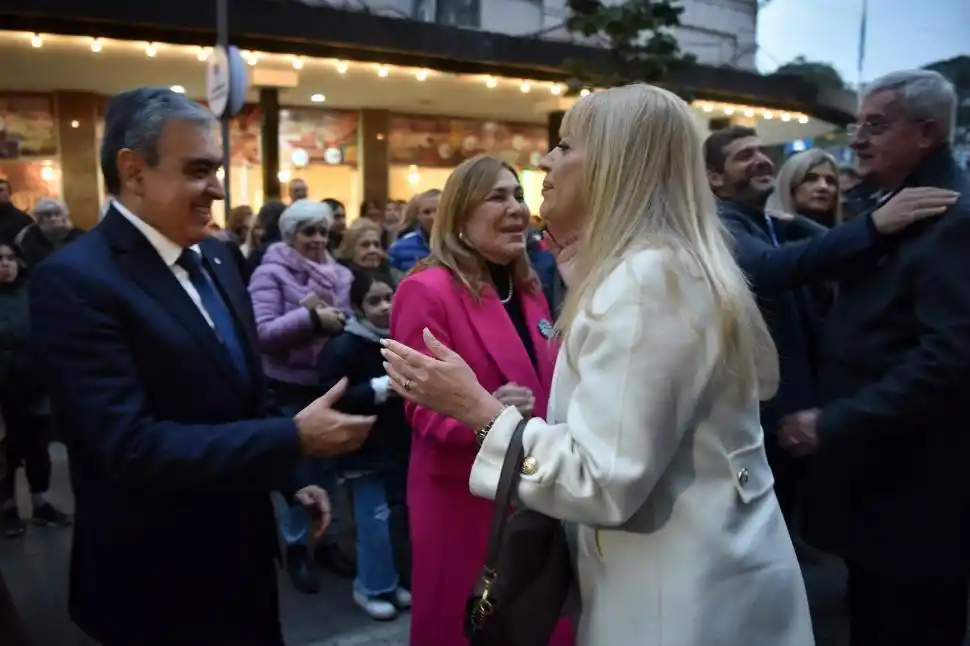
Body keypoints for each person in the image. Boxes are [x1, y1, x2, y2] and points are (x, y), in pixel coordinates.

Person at [382, 84, 814, 646]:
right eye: (497, 196)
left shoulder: (644, 279)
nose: (545, 162)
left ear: (614, 163)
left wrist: (477, 408)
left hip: (673, 601)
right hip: (674, 575)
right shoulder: (646, 270)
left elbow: (602, 477)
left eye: (564, 146)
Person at [29, 87, 375, 646]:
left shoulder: (216, 256)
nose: (217, 188)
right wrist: (289, 438)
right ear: (133, 172)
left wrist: (291, 480)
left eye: (215, 170)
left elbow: (243, 385)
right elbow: (127, 446)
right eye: (198, 171)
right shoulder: (75, 281)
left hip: (244, 566)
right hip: (153, 584)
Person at [780, 69, 967, 646]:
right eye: (858, 123)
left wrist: (833, 421)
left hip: (915, 499)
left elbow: (949, 356)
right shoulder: (892, 209)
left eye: (877, 126)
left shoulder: (954, 222)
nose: (858, 139)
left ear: (927, 133)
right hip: (878, 491)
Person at [706, 125, 950, 546]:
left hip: (792, 416)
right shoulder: (719, 222)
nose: (761, 159)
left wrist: (798, 223)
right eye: (744, 156)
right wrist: (873, 225)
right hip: (758, 423)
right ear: (714, 179)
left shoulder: (764, 223)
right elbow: (767, 270)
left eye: (761, 151)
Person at [389, 155, 572, 646]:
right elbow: (415, 403)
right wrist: (483, 408)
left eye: (517, 195)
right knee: (468, 627)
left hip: (534, 489)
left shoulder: (529, 287)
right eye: (497, 196)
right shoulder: (424, 290)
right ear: (460, 214)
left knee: (538, 621)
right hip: (463, 501)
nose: (515, 207)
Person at [248, 198, 354, 594]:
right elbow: (261, 333)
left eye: (323, 231)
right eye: (308, 232)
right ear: (290, 235)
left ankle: (327, 542)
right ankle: (296, 548)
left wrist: (339, 323)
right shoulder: (270, 273)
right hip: (287, 386)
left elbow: (345, 322)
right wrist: (310, 319)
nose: (317, 239)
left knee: (330, 469)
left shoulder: (340, 273)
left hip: (327, 382)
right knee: (297, 474)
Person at [317, 271, 412, 620]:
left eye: (389, 297)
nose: (385, 306)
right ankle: (370, 586)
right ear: (357, 307)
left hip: (395, 446)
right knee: (373, 524)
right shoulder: (344, 346)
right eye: (374, 300)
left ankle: (389, 581)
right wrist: (380, 388)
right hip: (362, 449)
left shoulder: (398, 338)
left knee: (393, 521)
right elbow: (331, 396)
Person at [0, 240, 71, 536]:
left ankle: (40, 502)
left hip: (35, 384)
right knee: (5, 453)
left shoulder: (33, 291)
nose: (5, 264)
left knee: (37, 449)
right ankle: (7, 508)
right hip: (2, 391)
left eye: (9, 258)